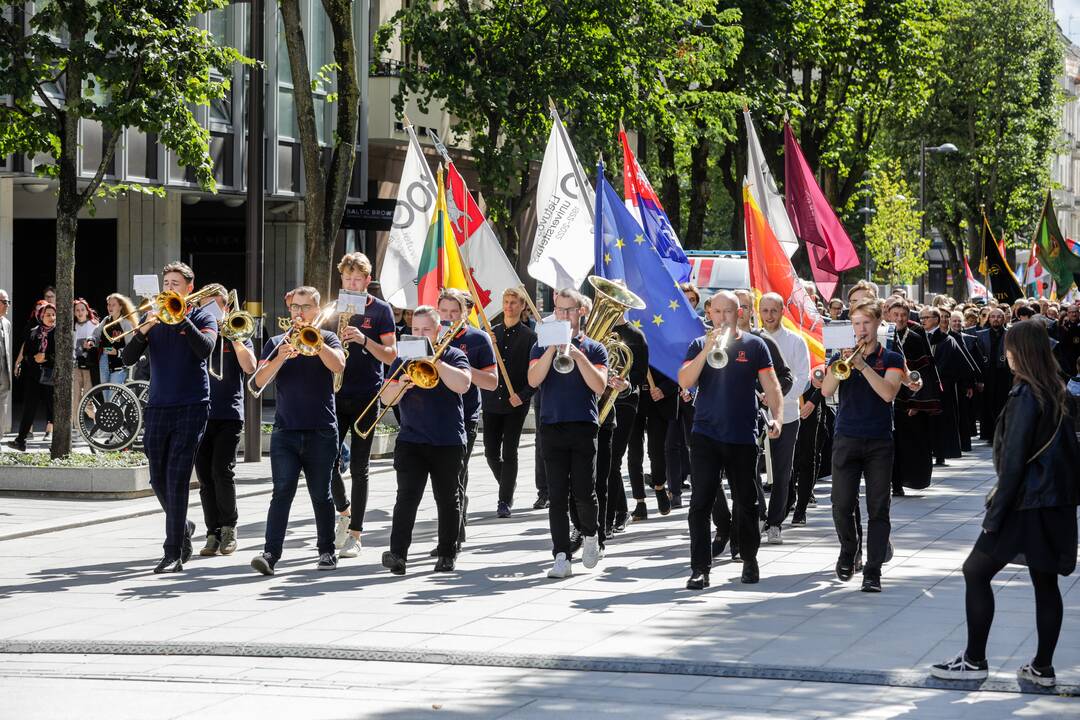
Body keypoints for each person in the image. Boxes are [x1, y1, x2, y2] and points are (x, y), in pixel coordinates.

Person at [931, 320, 1079, 687]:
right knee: (1045, 584)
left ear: (1022, 352)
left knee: (976, 571)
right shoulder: (1055, 391)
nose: (1005, 354)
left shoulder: (1026, 395)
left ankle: (974, 659)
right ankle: (1042, 668)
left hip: (1025, 505)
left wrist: (994, 517)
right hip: (1053, 505)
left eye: (1010, 348)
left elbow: (1013, 463)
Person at [680, 291, 783, 589]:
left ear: (739, 314)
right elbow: (685, 381)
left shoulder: (755, 345)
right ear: (710, 313)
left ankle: (749, 560)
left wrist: (776, 415)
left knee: (747, 502)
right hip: (705, 435)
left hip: (741, 435)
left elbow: (771, 384)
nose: (723, 317)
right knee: (700, 504)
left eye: (729, 312)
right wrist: (706, 350)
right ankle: (700, 568)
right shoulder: (699, 344)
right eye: (718, 312)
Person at [120, 262, 218, 573]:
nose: (169, 288)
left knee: (176, 479)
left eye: (175, 283)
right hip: (158, 404)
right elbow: (126, 358)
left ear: (190, 287)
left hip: (192, 404)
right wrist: (146, 327)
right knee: (157, 477)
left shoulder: (203, 315)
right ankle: (182, 523)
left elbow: (205, 349)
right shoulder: (153, 317)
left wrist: (181, 320)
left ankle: (173, 551)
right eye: (166, 283)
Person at [249, 286, 346, 576]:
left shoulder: (327, 338)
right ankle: (270, 555)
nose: (299, 312)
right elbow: (255, 385)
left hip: (322, 430)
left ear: (316, 311)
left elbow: (339, 365)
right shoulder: (277, 342)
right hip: (285, 431)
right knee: (281, 493)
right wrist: (280, 358)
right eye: (295, 307)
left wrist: (316, 346)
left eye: (305, 307)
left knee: (321, 494)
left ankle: (326, 551)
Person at [379, 305, 472, 575]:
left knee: (447, 498)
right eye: (416, 329)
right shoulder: (403, 358)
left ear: (438, 330)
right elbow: (385, 399)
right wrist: (400, 386)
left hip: (447, 440)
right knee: (406, 497)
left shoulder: (453, 355)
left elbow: (463, 385)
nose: (420, 334)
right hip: (411, 439)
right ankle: (398, 554)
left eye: (426, 329)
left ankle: (446, 553)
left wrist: (436, 361)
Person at [820, 298, 903, 593]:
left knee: (878, 508)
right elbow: (827, 390)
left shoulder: (891, 358)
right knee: (841, 504)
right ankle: (849, 550)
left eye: (867, 323)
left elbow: (888, 394)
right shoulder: (840, 357)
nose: (861, 329)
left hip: (879, 440)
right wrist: (838, 366)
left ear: (878, 323)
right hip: (847, 437)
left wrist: (863, 366)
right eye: (856, 324)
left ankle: (873, 570)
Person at [528, 288, 608, 579]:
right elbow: (533, 380)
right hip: (552, 425)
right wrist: (552, 348)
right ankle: (561, 554)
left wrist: (576, 354)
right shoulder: (540, 346)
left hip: (583, 425)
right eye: (560, 310)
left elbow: (599, 386)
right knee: (558, 495)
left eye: (570, 310)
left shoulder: (595, 348)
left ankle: (590, 535)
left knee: (584, 492)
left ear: (581, 312)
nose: (564, 315)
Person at [328, 252, 398, 559]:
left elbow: (392, 354)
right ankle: (344, 510)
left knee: (359, 467)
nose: (352, 284)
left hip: (367, 394)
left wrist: (363, 340)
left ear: (367, 281)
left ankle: (356, 534)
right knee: (327, 461)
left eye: (358, 279)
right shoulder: (333, 308)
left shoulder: (380, 310)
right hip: (334, 392)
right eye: (347, 279)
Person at [194, 287, 257, 557]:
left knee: (222, 470)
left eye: (212, 305)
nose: (208, 310)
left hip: (229, 412)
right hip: (199, 412)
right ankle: (212, 532)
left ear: (225, 305)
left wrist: (233, 337)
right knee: (205, 476)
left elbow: (251, 367)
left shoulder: (239, 329)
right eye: (203, 306)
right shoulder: (201, 332)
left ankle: (229, 527)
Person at [759, 292, 810, 544]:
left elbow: (802, 378)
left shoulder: (795, 342)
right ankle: (759, 513)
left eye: (774, 311)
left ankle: (775, 522)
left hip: (787, 415)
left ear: (782, 312)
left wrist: (778, 398)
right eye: (765, 310)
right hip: (754, 416)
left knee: (781, 471)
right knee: (748, 470)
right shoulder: (752, 340)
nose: (769, 316)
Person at [482, 288, 537, 518]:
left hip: (516, 402)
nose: (509, 306)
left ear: (523, 306)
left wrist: (523, 395)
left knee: (510, 450)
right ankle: (507, 482)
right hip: (492, 400)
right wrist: (487, 344)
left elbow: (535, 374)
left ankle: (504, 500)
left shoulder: (530, 337)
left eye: (514, 302)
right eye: (506, 302)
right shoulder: (490, 335)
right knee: (490, 452)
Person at [886, 298, 941, 495]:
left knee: (908, 445)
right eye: (895, 315)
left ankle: (905, 481)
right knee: (888, 446)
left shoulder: (916, 338)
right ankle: (893, 483)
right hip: (885, 398)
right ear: (888, 315)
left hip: (908, 402)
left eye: (903, 315)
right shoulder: (882, 337)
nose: (899, 319)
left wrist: (917, 403)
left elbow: (924, 373)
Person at [6, 303, 57, 451]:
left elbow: (64, 355)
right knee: (29, 408)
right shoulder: (33, 331)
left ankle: (58, 443)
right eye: (47, 315)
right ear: (41, 316)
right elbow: (26, 353)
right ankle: (20, 440)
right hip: (34, 376)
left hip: (51, 376)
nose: (51, 317)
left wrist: (46, 357)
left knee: (54, 410)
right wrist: (34, 358)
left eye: (53, 314)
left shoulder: (59, 332)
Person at [976, 307, 1012, 440]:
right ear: (989, 319)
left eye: (999, 316)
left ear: (1004, 319)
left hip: (1004, 374)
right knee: (987, 403)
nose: (996, 319)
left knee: (1002, 403)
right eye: (993, 316)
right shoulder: (980, 335)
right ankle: (988, 433)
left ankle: (1002, 432)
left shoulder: (1010, 333)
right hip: (987, 374)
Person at [92, 294, 137, 388]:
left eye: (113, 305)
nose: (110, 307)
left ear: (120, 307)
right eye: (108, 304)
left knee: (114, 395)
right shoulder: (106, 320)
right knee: (105, 393)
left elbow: (130, 346)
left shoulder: (126, 323)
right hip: (104, 360)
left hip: (119, 365)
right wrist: (91, 341)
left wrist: (117, 352)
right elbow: (96, 334)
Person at [71, 298, 99, 429]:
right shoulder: (73, 326)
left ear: (87, 311)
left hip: (89, 366)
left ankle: (97, 422)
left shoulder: (93, 325)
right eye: (77, 310)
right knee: (75, 397)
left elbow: (97, 343)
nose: (80, 312)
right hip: (76, 366)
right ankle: (77, 428)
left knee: (88, 399)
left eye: (82, 309)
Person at [0, 289, 12, 435]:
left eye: (8, 301)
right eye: (4, 302)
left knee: (2, 405)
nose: (7, 305)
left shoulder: (7, 323)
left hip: (4, 372)